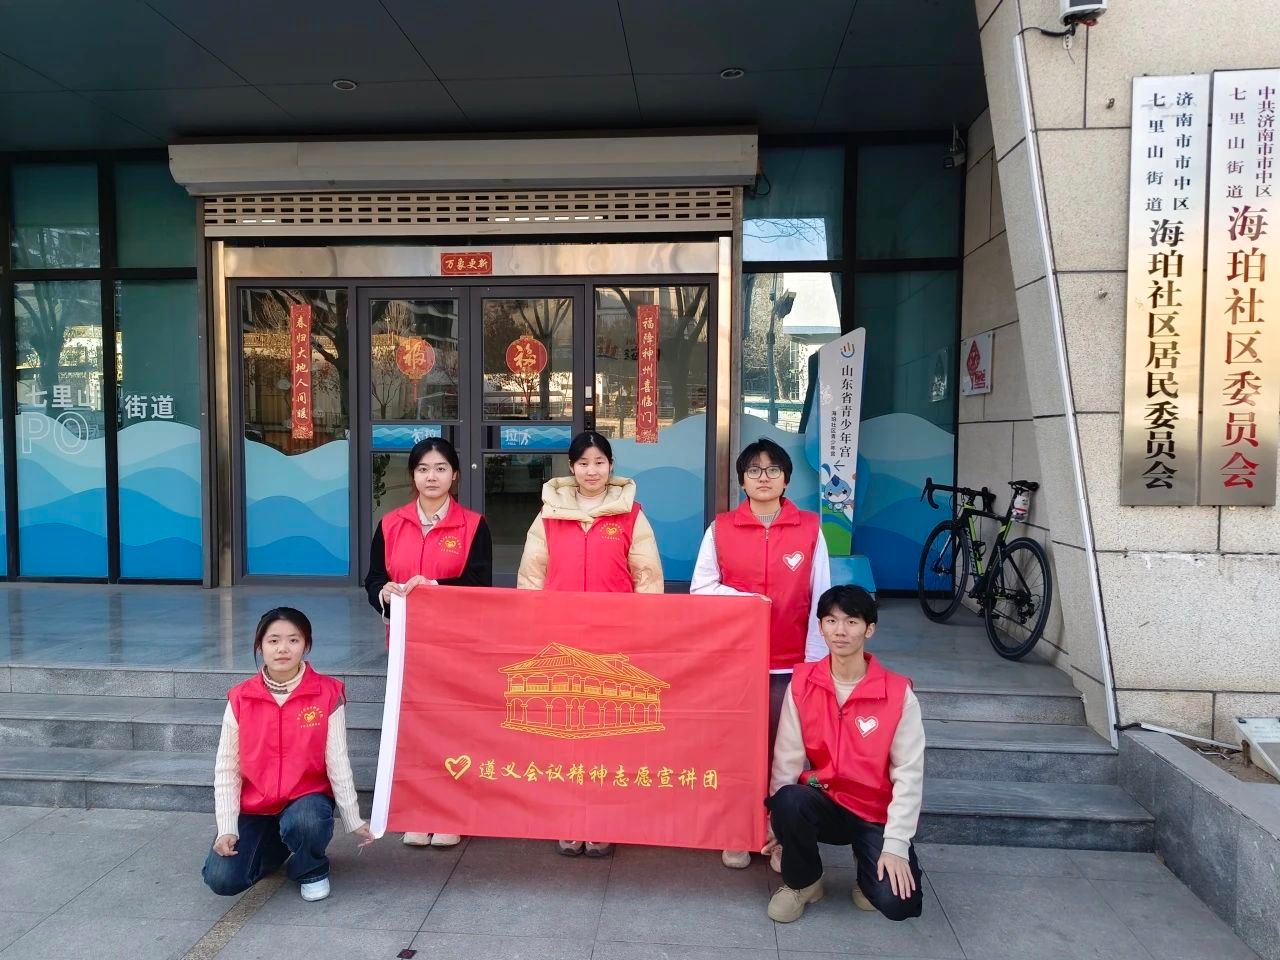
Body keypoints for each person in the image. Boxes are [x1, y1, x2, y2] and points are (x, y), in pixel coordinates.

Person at [517, 429, 664, 856]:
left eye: (599, 462)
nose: (592, 471)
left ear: (611, 466)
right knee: (563, 733)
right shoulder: (548, 514)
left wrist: (644, 632)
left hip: (613, 643)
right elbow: (531, 577)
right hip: (559, 639)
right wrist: (531, 628)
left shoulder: (631, 515)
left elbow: (648, 579)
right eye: (583, 463)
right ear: (572, 467)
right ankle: (568, 817)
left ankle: (602, 819)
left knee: (607, 735)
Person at [690, 437, 830, 869]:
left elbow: (821, 597)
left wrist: (813, 664)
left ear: (786, 479)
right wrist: (748, 601)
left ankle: (779, 834)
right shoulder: (721, 529)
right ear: (742, 481)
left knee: (786, 755)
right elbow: (701, 588)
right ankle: (738, 830)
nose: (763, 477)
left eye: (772, 470)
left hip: (790, 664)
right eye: (754, 470)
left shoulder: (810, 528)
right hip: (737, 663)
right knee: (736, 750)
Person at [763, 585, 925, 924]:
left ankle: (867, 867)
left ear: (869, 629)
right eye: (831, 621)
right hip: (825, 800)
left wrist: (896, 844)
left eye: (852, 622)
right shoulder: (803, 683)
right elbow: (787, 758)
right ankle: (804, 882)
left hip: (874, 811)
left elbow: (909, 773)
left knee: (897, 903)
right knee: (788, 800)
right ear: (820, 627)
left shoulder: (898, 693)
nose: (840, 630)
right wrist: (776, 825)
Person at [364, 435, 493, 848]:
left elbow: (479, 584)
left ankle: (451, 813)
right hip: (407, 646)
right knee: (414, 729)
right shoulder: (390, 524)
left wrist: (434, 587)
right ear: (413, 476)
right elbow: (373, 579)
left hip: (456, 646)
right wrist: (384, 593)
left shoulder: (473, 525)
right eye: (423, 469)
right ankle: (418, 813)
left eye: (440, 469)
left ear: (454, 475)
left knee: (452, 729)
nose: (431, 477)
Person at [202, 607, 373, 903]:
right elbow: (226, 768)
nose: (283, 648)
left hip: (306, 800)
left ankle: (311, 868)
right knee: (222, 879)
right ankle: (281, 843)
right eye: (273, 641)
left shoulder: (327, 693)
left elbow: (338, 760)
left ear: (306, 645)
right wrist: (227, 828)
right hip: (256, 807)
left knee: (307, 820)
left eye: (293, 640)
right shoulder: (241, 697)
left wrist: (353, 818)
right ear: (260, 646)